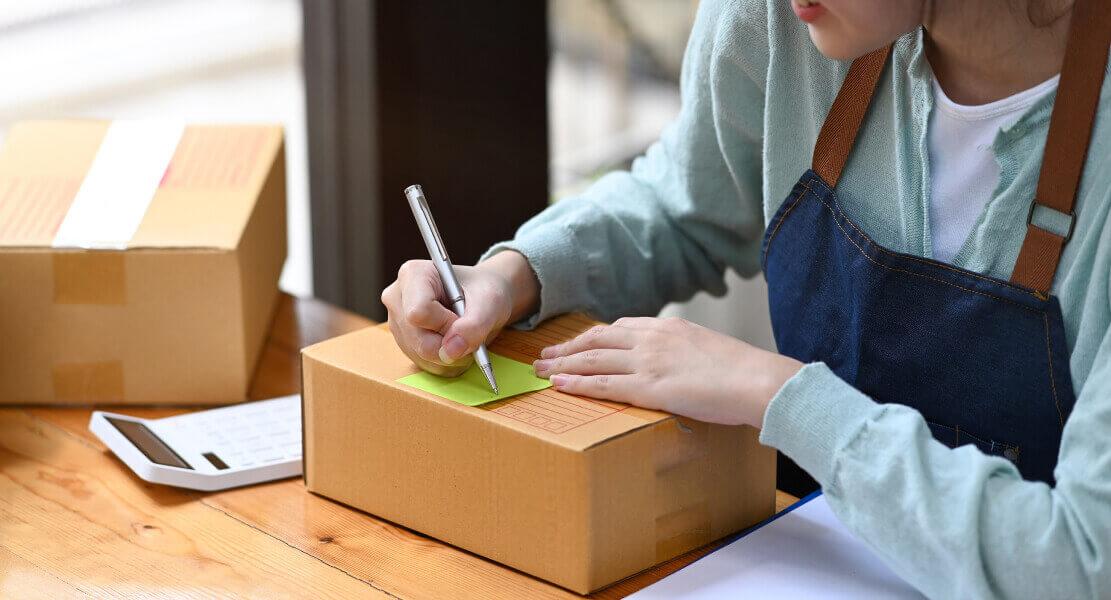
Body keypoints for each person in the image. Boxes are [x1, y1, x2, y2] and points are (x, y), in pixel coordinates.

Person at [381, 0, 1111, 597]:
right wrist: (513, 275)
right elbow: (684, 205)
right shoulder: (786, 19)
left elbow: (1080, 563)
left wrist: (779, 396)